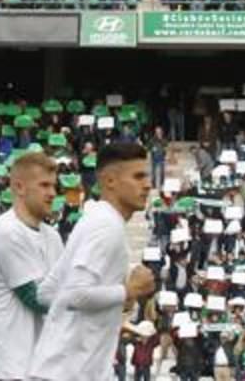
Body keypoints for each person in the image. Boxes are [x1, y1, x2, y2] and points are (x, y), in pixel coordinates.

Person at [27, 142, 156, 381]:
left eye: (147, 176)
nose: (148, 185)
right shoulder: (106, 227)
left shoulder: (93, 220)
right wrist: (128, 291)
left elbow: (47, 293)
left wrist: (109, 308)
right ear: (109, 181)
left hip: (58, 370)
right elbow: (77, 295)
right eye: (138, 177)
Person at [0, 151, 64, 381]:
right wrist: (112, 297)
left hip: (34, 368)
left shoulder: (52, 237)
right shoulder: (6, 232)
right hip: (1, 371)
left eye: (54, 186)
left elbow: (66, 290)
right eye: (44, 185)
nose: (52, 193)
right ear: (19, 187)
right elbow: (38, 299)